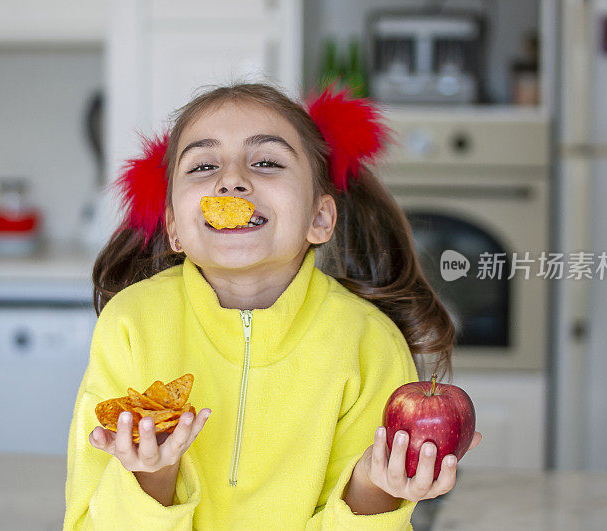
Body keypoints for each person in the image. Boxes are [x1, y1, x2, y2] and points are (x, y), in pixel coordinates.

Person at [63, 81, 481, 530]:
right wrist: (152, 477)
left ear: (319, 219)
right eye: (203, 166)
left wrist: (375, 490)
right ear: (173, 228)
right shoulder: (130, 325)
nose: (231, 180)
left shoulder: (368, 342)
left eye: (266, 162)